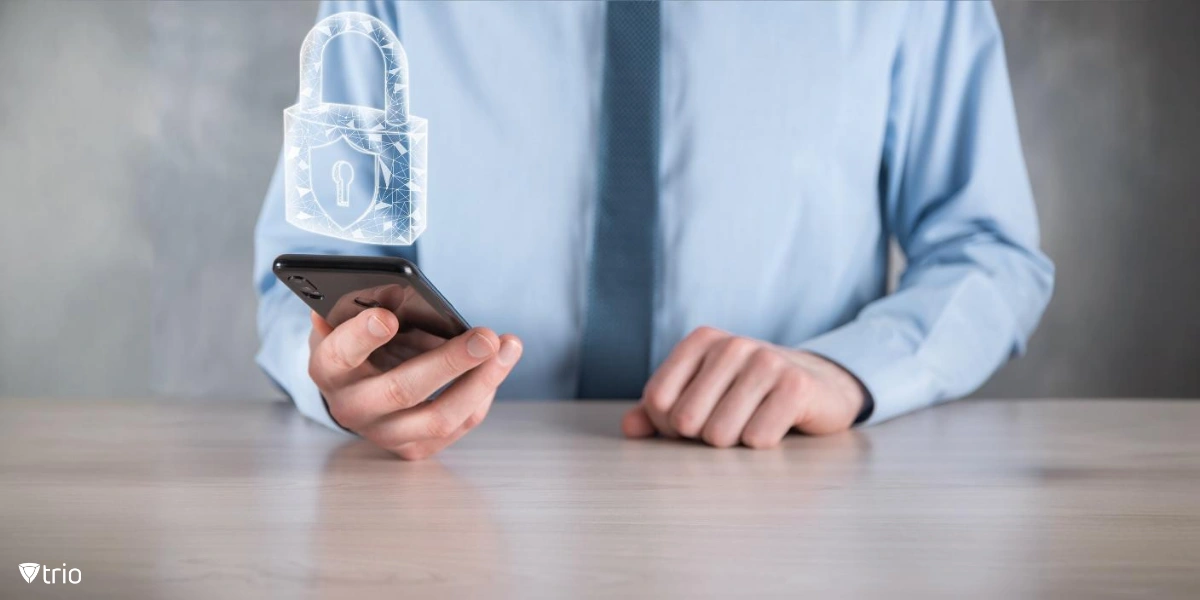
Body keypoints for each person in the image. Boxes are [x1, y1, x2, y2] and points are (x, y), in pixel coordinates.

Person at [254, 0, 1053, 459]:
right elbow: (314, 264)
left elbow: (987, 250)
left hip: (788, 499)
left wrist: (846, 373)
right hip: (450, 496)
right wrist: (344, 373)